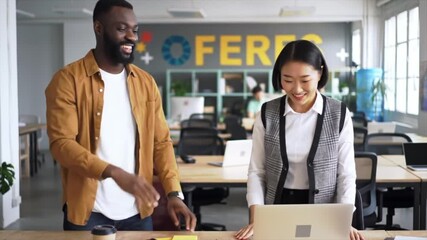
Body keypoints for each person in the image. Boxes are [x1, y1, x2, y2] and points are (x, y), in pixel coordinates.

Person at [45, 0, 196, 231]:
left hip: (138, 212)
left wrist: (174, 193)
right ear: (98, 28)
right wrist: (114, 173)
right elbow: (61, 144)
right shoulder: (68, 80)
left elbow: (161, 142)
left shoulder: (146, 83)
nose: (132, 37)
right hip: (89, 213)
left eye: (135, 30)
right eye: (121, 28)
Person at [235, 40, 364, 240]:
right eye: (287, 79)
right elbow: (257, 172)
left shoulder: (339, 114)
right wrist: (256, 217)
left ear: (320, 73)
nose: (296, 89)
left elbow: (346, 174)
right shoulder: (267, 113)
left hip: (325, 211)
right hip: (277, 208)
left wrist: (344, 221)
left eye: (305, 80)